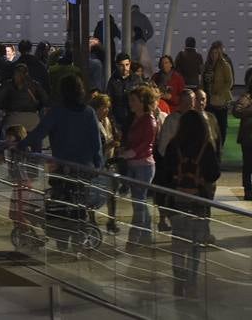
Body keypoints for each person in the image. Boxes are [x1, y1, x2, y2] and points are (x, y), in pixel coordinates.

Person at [160, 111, 220, 297]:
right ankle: (192, 282)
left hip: (177, 202)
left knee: (178, 243)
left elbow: (165, 174)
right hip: (198, 201)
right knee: (195, 245)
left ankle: (178, 281)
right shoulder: (206, 146)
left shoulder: (174, 145)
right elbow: (214, 174)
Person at [20, 75, 102, 169]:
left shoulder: (57, 112)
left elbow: (39, 133)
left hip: (62, 167)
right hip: (85, 167)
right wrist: (98, 165)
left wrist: (21, 144)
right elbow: (96, 142)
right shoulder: (89, 112)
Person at [119, 86, 158, 251]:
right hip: (135, 163)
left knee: (139, 203)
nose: (130, 103)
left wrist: (129, 153)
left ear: (143, 102)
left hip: (143, 165)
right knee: (139, 202)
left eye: (134, 100)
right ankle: (146, 235)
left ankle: (135, 238)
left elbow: (145, 144)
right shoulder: (135, 118)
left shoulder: (148, 120)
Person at [91, 93, 120, 232]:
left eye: (108, 107)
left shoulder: (108, 121)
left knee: (112, 192)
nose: (106, 110)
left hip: (109, 160)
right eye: (104, 107)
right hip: (97, 161)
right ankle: (91, 219)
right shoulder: (92, 123)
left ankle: (112, 220)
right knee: (94, 191)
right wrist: (107, 146)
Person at [0, 62, 45, 141]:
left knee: (8, 144)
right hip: (32, 119)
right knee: (36, 144)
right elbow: (45, 100)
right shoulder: (35, 84)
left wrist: (5, 107)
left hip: (13, 118)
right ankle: (35, 151)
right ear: (27, 73)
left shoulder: (8, 84)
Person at [201, 41, 234, 146]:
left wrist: (220, 92)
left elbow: (229, 81)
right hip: (208, 98)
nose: (213, 55)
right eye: (212, 53)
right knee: (209, 123)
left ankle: (220, 145)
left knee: (221, 125)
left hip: (220, 100)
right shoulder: (207, 66)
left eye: (216, 53)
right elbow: (203, 80)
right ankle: (210, 145)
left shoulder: (224, 65)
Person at [107, 54, 142, 135]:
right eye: (122, 65)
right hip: (119, 119)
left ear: (130, 64)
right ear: (117, 65)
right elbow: (110, 101)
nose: (125, 68)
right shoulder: (113, 81)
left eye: (127, 65)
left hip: (134, 118)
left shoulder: (136, 79)